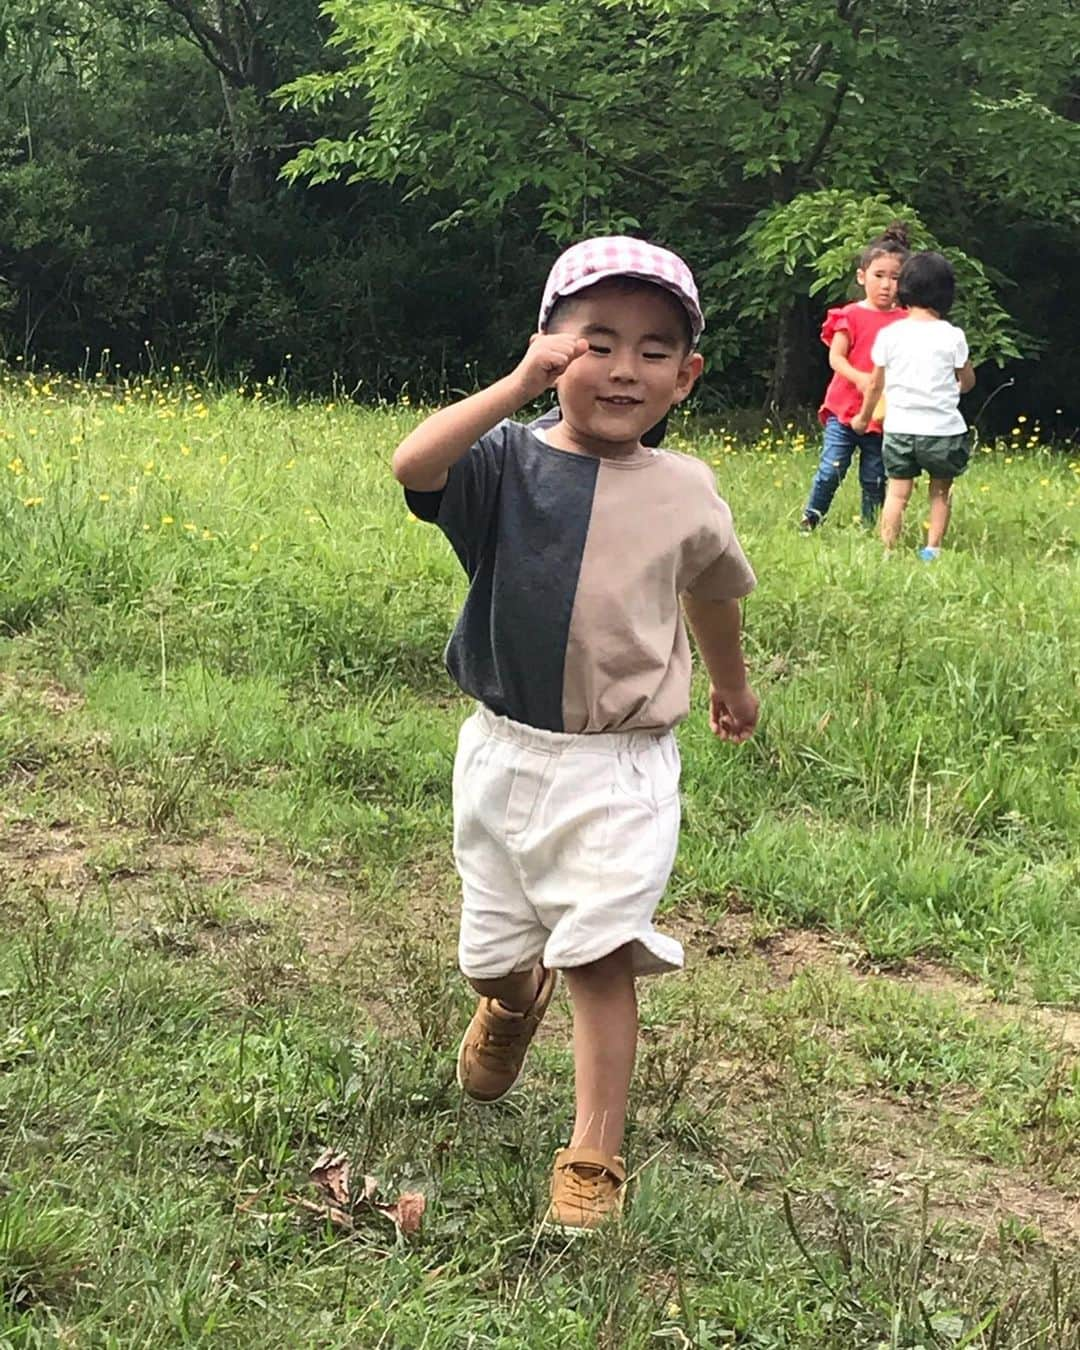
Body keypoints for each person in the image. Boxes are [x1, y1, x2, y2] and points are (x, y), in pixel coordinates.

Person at [391, 237, 759, 1232]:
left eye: (653, 349)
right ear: (554, 350)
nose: (624, 368)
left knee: (601, 951)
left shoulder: (686, 488)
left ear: (686, 375)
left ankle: (594, 1150)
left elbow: (712, 592)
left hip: (619, 763)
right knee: (492, 955)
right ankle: (513, 1002)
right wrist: (516, 384)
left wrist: (731, 683)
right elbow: (412, 462)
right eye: (597, 341)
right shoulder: (505, 465)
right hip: (504, 753)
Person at [851, 250, 975, 560]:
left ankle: (888, 550)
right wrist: (955, 388)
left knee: (896, 492)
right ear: (947, 293)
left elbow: (876, 384)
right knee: (940, 492)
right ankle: (932, 549)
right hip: (943, 431)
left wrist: (864, 418)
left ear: (903, 287)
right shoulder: (953, 336)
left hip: (900, 428)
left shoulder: (890, 335)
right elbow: (968, 380)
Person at [800, 222, 910, 532]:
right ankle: (811, 517)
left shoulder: (905, 321)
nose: (887, 285)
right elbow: (836, 357)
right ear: (862, 277)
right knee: (831, 468)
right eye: (879, 276)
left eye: (895, 278)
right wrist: (860, 378)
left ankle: (870, 526)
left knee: (875, 475)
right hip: (844, 409)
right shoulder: (849, 315)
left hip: (883, 414)